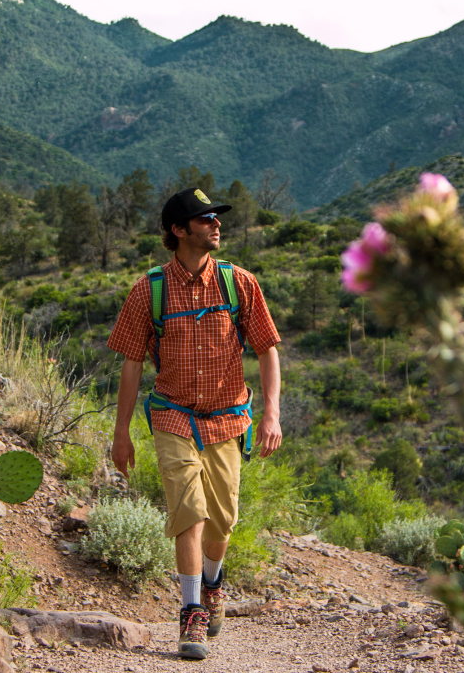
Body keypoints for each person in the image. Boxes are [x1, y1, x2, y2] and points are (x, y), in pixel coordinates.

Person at [108, 187, 282, 660]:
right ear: (179, 231)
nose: (216, 225)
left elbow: (267, 347)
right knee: (190, 513)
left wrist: (271, 413)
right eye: (205, 219)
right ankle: (191, 614)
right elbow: (130, 364)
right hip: (173, 416)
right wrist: (121, 433)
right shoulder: (149, 289)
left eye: (215, 218)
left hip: (228, 420)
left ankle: (213, 582)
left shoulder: (238, 283)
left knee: (222, 521)